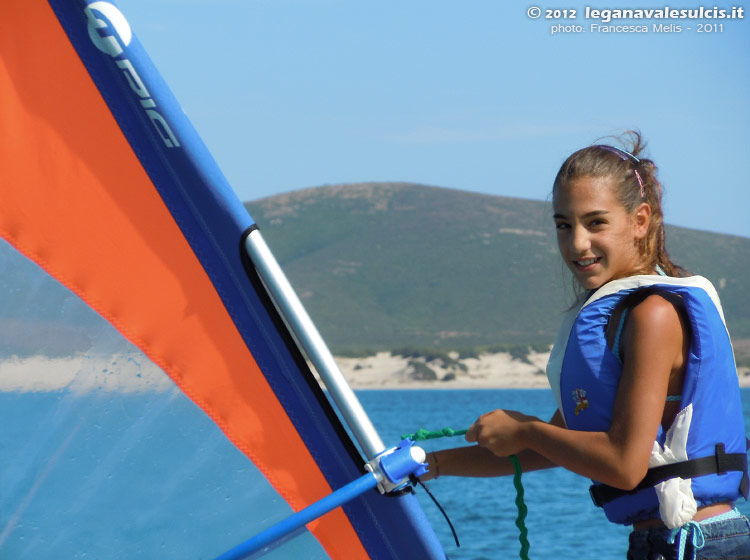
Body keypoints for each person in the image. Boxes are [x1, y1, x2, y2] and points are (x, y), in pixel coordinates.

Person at [421, 131, 750, 560]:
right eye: (563, 224)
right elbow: (555, 446)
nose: (577, 243)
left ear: (640, 220)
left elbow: (624, 466)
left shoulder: (653, 315)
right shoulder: (616, 323)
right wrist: (434, 465)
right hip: (663, 544)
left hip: (698, 545)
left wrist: (524, 429)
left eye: (596, 222)